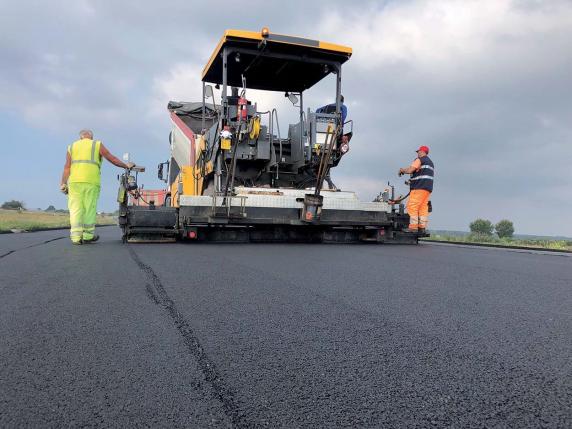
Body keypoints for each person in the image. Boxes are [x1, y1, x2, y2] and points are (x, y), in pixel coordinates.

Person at [60, 130, 134, 245]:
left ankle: (75, 238)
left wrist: (63, 183)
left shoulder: (72, 147)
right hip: (91, 182)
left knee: (75, 209)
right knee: (89, 208)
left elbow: (67, 167)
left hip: (74, 183)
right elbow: (111, 158)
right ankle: (88, 236)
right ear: (91, 137)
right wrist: (125, 165)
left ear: (80, 138)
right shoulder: (96, 144)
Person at [398, 145, 434, 233]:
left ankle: (413, 227)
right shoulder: (430, 163)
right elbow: (421, 174)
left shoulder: (419, 160)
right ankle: (422, 227)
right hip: (427, 189)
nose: (417, 153)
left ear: (422, 151)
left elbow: (410, 170)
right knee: (423, 208)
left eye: (418, 152)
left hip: (418, 188)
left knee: (412, 206)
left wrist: (402, 170)